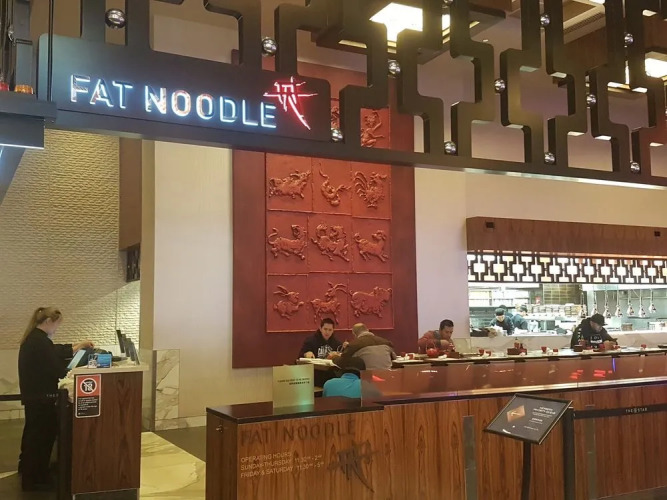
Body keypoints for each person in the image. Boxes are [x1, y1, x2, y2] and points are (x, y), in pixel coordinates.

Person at [18, 307, 93, 491]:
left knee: (33, 435)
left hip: (35, 397)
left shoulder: (36, 339)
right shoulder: (39, 342)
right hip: (42, 398)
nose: (57, 328)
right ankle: (36, 478)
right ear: (48, 321)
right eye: (57, 324)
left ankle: (29, 471)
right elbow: (56, 368)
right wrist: (74, 371)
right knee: (41, 438)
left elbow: (55, 351)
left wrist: (78, 346)